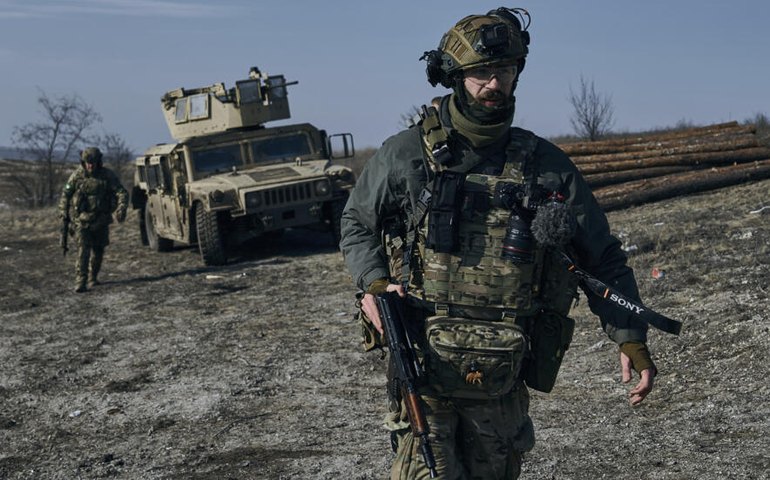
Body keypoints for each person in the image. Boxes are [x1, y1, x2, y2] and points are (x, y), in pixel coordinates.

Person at [340, 7, 659, 479]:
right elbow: (357, 223)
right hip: (423, 365)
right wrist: (375, 284)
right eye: (481, 73)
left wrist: (630, 337)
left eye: (505, 70)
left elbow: (602, 258)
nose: (494, 83)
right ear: (453, 76)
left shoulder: (547, 166)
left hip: (503, 372)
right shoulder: (406, 154)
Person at [59, 147, 128, 293]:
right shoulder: (77, 176)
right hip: (82, 221)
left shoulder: (107, 175)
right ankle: (80, 281)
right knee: (83, 250)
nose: (90, 166)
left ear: (99, 162)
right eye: (87, 162)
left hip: (101, 220)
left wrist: (121, 208)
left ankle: (93, 277)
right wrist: (63, 214)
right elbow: (66, 194)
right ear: (83, 162)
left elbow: (121, 192)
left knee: (98, 251)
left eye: (93, 162)